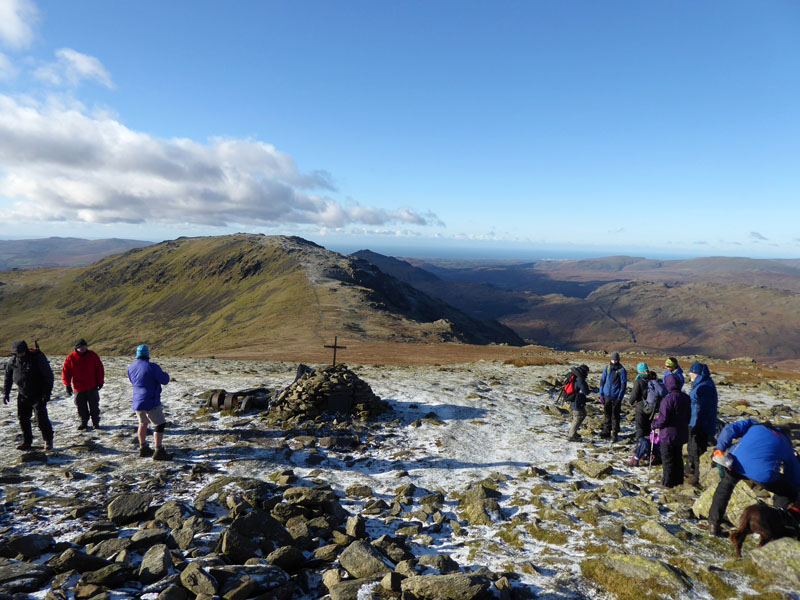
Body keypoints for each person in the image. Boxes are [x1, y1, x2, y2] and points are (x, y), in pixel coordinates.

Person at [707, 419, 800, 536]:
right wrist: (795, 489)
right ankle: (778, 524)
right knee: (786, 492)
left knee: (725, 486)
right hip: (763, 473)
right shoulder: (785, 442)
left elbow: (730, 428)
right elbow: (793, 472)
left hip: (734, 462)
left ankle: (713, 525)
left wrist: (719, 448)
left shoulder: (755, 425)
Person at [3, 341, 54, 450]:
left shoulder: (37, 359)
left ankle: (48, 440)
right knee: (23, 419)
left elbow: (48, 376)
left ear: (25, 351)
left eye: (20, 353)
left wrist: (47, 393)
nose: (19, 355)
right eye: (17, 353)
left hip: (38, 394)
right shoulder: (13, 361)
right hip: (22, 394)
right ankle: (27, 441)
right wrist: (6, 393)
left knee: (41, 419)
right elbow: (8, 377)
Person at [127, 344, 171, 460]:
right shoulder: (152, 367)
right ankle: (158, 450)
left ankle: (143, 448)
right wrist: (165, 374)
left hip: (138, 401)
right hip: (151, 400)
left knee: (143, 423)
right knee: (159, 425)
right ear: (147, 354)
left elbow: (133, 381)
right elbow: (165, 380)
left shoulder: (131, 367)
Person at [651, 373, 691, 487]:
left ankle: (667, 483)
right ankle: (678, 481)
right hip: (681, 433)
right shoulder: (686, 398)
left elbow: (663, 419)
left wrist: (655, 425)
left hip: (668, 434)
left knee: (668, 459)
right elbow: (689, 416)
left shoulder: (667, 400)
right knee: (677, 457)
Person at [61, 338, 105, 430]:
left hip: (92, 386)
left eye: (84, 346)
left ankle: (95, 423)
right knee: (81, 407)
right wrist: (67, 384)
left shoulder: (93, 355)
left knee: (94, 406)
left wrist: (100, 382)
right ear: (76, 348)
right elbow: (66, 372)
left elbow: (99, 369)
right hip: (78, 388)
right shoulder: (71, 358)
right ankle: (83, 422)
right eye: (80, 347)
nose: (83, 348)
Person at [686, 362, 718, 485]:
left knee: (698, 449)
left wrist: (696, 423)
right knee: (693, 447)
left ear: (697, 373)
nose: (689, 374)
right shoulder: (701, 384)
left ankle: (698, 476)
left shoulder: (705, 387)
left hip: (700, 423)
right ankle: (690, 470)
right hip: (695, 421)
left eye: (692, 372)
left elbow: (702, 408)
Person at [625, 365, 655, 466]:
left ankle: (639, 452)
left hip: (641, 407)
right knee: (648, 429)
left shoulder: (639, 380)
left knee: (640, 429)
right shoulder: (652, 379)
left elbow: (633, 396)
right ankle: (648, 451)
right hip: (651, 408)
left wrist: (631, 402)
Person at [599, 352, 627, 442]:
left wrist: (620, 397)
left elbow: (623, 385)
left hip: (616, 396)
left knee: (615, 415)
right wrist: (601, 394)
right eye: (612, 359)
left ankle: (614, 433)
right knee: (607, 414)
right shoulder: (607, 368)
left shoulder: (622, 370)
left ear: (618, 360)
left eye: (615, 360)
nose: (614, 361)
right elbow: (602, 381)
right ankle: (606, 432)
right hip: (606, 394)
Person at [564, 364, 590, 442]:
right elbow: (585, 390)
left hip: (575, 400)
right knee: (577, 417)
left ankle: (573, 432)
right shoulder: (580, 379)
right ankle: (571, 435)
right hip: (577, 401)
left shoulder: (575, 375)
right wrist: (587, 391)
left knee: (583, 414)